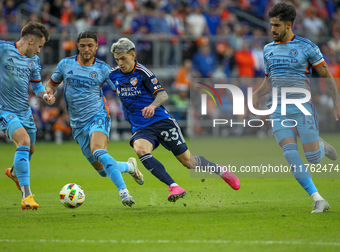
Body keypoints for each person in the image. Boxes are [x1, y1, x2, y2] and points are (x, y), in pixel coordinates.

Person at [109, 38, 240, 203]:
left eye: (123, 58)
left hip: (161, 121)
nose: (120, 63)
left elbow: (163, 94)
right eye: (117, 59)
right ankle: (173, 186)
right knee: (141, 150)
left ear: (133, 55)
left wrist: (152, 106)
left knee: (189, 162)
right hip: (141, 127)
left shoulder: (143, 72)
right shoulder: (112, 75)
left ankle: (220, 170)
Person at [252, 3, 340, 213]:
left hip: (302, 108)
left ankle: (320, 146)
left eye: (276, 25)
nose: (272, 29)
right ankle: (318, 199)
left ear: (289, 25)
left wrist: (337, 103)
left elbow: (327, 75)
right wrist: (256, 94)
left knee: (312, 158)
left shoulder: (307, 47)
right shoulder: (268, 49)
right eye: (271, 25)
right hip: (278, 109)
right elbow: (269, 81)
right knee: (291, 155)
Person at [45, 31, 143, 207]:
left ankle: (124, 193)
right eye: (83, 45)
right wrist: (49, 93)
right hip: (77, 124)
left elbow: (121, 91)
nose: (86, 49)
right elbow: (52, 84)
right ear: (77, 46)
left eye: (90, 45)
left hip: (98, 115)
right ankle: (129, 167)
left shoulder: (103, 69)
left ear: (97, 46)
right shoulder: (65, 65)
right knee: (103, 171)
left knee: (98, 150)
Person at [1, 21, 55, 210]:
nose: (40, 51)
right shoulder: (3, 49)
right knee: (23, 141)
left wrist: (44, 95)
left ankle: (15, 172)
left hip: (24, 111)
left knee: (30, 150)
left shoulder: (34, 61)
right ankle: (27, 196)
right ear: (31, 40)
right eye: (39, 46)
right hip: (4, 110)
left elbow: (37, 85)